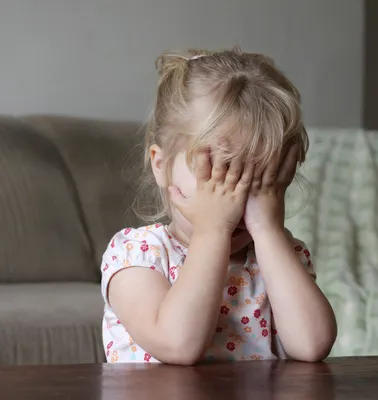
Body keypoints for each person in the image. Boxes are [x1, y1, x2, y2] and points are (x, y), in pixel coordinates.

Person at [100, 47, 337, 365]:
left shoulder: (280, 256)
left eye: (260, 179)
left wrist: (268, 230)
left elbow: (312, 346)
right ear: (162, 165)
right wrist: (213, 232)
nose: (237, 197)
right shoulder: (138, 256)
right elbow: (177, 345)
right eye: (220, 173)